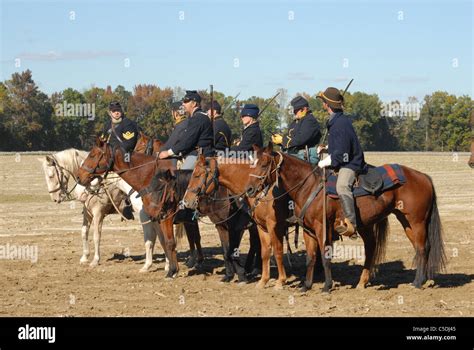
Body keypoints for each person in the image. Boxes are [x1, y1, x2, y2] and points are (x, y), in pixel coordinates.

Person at [316, 87, 366, 237]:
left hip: (350, 163)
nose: (322, 104)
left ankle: (351, 225)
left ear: (328, 104)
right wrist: (326, 148)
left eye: (323, 101)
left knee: (342, 186)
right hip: (341, 160)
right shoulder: (335, 121)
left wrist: (323, 163)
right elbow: (339, 145)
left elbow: (342, 153)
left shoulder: (340, 123)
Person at [158, 90, 213, 169]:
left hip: (199, 156)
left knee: (181, 177)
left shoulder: (197, 118)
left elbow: (187, 142)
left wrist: (168, 152)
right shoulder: (199, 117)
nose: (183, 104)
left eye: (186, 101)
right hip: (198, 154)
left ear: (194, 104)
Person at [271, 96, 321, 164]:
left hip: (306, 156)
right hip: (294, 155)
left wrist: (283, 140)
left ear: (303, 109)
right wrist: (280, 141)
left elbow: (300, 139)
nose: (294, 112)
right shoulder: (295, 122)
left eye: (295, 110)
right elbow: (291, 138)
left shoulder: (310, 120)